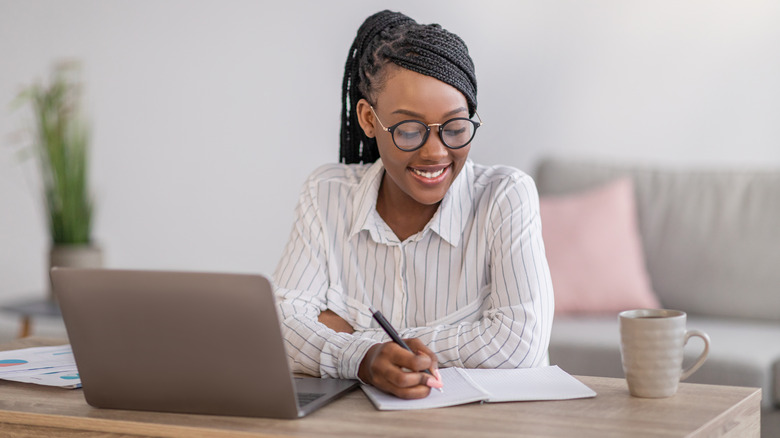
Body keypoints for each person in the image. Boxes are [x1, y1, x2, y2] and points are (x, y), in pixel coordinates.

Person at [273, 10, 554, 400]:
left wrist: (361, 347)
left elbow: (519, 342)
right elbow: (280, 328)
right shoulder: (327, 194)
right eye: (408, 130)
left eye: (455, 127)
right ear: (369, 120)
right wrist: (365, 358)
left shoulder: (505, 196)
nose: (436, 152)